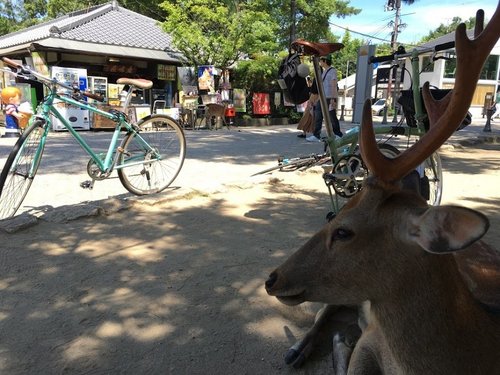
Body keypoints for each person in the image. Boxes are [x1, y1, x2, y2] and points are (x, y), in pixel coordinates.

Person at [307, 55, 342, 142]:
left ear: (325, 61)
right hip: (323, 97)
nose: (320, 62)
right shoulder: (324, 71)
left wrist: (334, 99)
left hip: (330, 97)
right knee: (318, 115)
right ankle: (316, 135)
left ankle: (338, 134)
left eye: (321, 60)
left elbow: (334, 85)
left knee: (332, 116)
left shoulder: (332, 71)